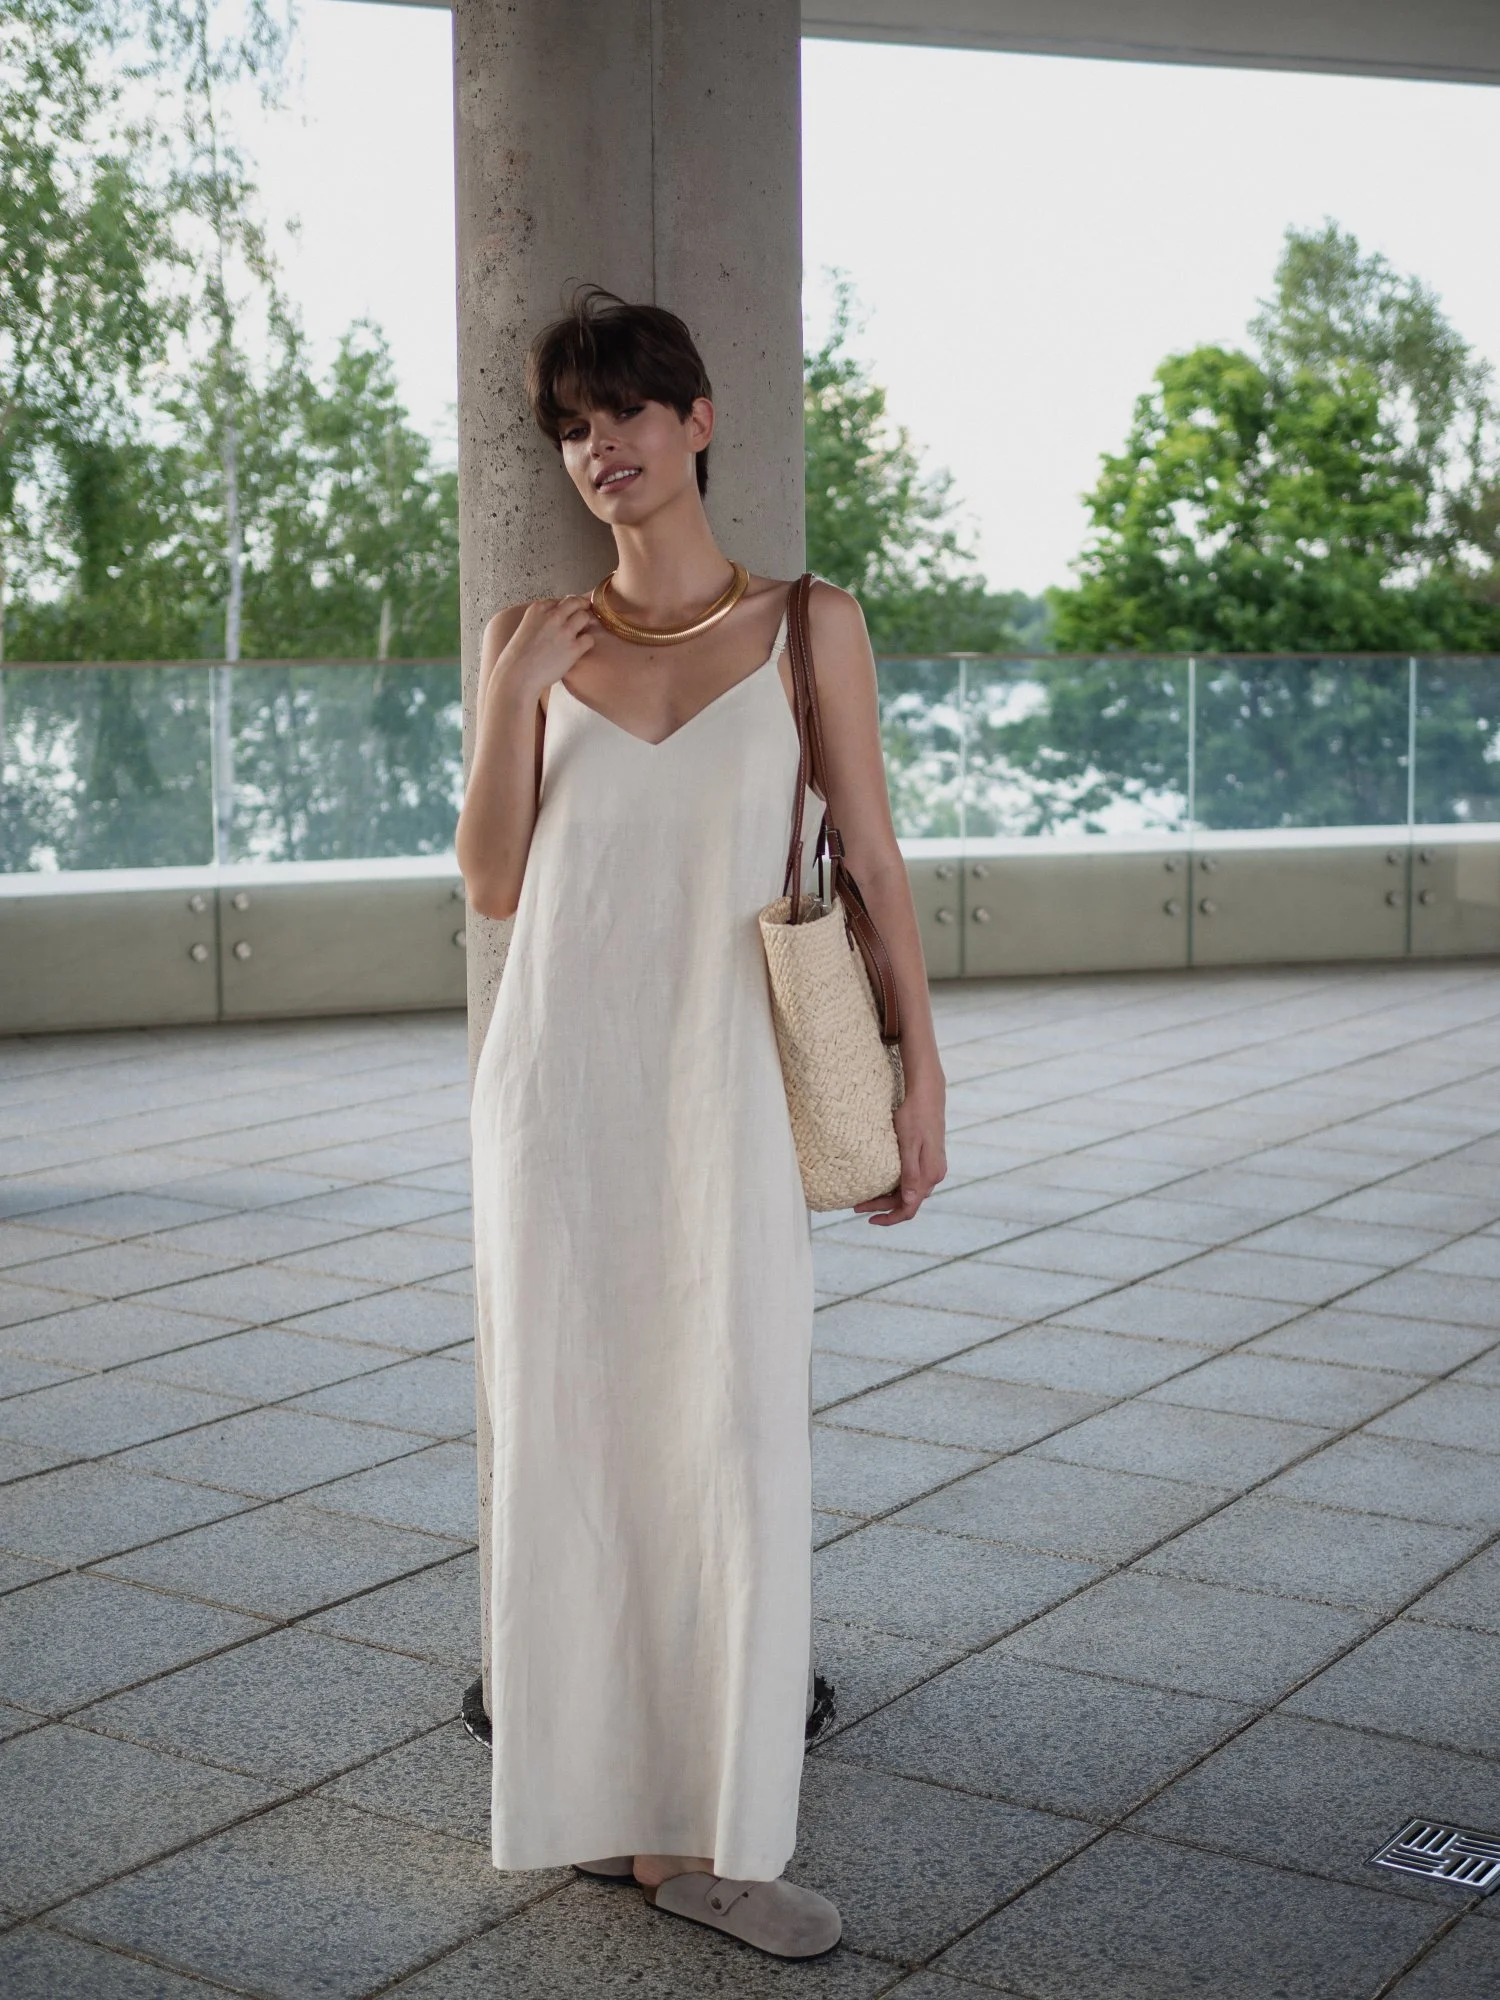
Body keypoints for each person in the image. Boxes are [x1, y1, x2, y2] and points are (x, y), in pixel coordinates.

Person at [457, 289, 947, 1960]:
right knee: (577, 1437)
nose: (601, 447)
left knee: (729, 1434)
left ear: (700, 421)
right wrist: (513, 696)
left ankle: (712, 1835)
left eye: (628, 413)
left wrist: (921, 1069)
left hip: (726, 1086)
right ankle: (606, 1812)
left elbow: (869, 857)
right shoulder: (530, 636)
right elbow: (493, 884)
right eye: (575, 428)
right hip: (560, 1096)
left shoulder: (812, 624)